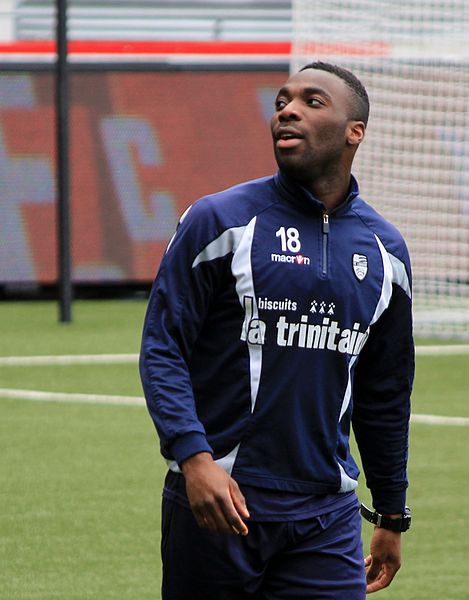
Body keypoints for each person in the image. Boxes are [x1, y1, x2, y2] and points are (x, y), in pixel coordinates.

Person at [140, 61, 414, 599]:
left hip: (326, 515)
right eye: (282, 101)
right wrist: (195, 460)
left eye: (312, 102)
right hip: (221, 503)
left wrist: (391, 512)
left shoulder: (387, 253)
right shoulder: (218, 221)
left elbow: (385, 394)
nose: (287, 110)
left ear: (354, 132)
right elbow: (163, 347)